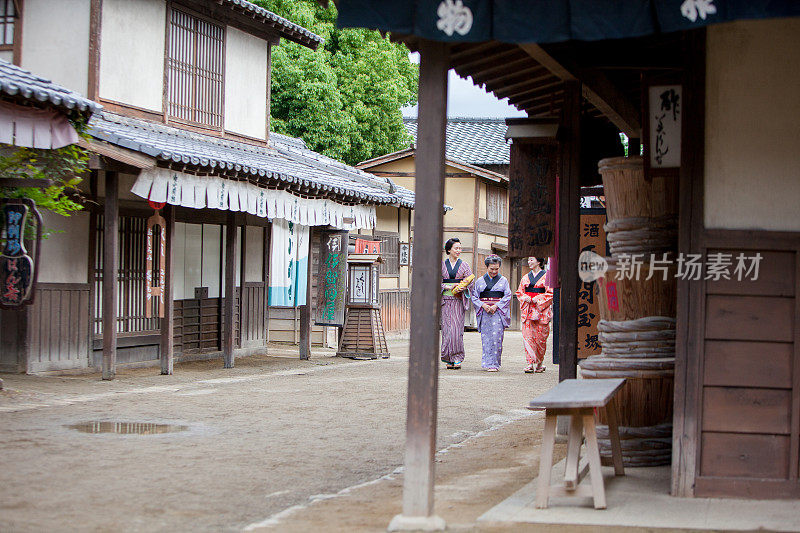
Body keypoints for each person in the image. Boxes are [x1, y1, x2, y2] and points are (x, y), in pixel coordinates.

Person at [470, 255, 512, 371]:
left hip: (497, 312)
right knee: (486, 338)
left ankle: (495, 363)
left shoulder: (503, 280)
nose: (494, 271)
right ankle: (488, 363)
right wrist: (483, 305)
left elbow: (507, 296)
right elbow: (474, 297)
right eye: (491, 269)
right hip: (485, 312)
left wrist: (496, 306)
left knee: (497, 338)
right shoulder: (479, 281)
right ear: (486, 267)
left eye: (496, 269)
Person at [515, 256, 554, 373]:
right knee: (528, 337)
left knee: (540, 339)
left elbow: (551, 292)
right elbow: (519, 292)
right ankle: (530, 363)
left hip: (541, 311)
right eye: (528, 260)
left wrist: (539, 298)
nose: (529, 262)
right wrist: (524, 297)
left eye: (532, 260)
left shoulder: (547, 276)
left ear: (539, 262)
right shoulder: (525, 277)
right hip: (528, 311)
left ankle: (539, 363)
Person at [440, 238, 473, 369]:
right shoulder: (442, 265)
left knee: (456, 330)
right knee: (447, 330)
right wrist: (446, 287)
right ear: (449, 250)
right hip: (446, 301)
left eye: (460, 248)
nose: (459, 251)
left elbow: (470, 281)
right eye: (456, 248)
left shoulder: (464, 265)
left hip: (458, 301)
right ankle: (448, 357)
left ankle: (457, 357)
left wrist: (463, 287)